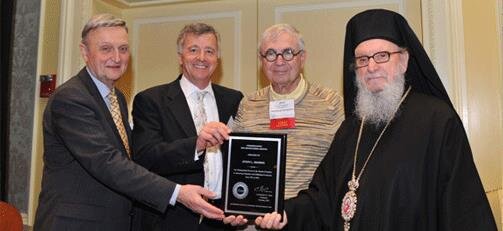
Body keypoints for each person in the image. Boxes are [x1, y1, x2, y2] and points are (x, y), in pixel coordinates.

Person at [253, 9, 498, 231]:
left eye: (382, 56)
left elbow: (462, 209)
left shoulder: (437, 120)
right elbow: (322, 198)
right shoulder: (351, 128)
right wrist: (284, 212)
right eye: (362, 59)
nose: (371, 67)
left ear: (403, 61)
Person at [34, 14, 225, 231]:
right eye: (106, 48)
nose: (116, 57)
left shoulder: (118, 99)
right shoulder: (71, 98)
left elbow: (131, 157)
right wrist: (177, 193)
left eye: (123, 49)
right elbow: (108, 162)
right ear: (84, 52)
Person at [229, 23, 344, 229]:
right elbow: (236, 166)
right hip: (255, 223)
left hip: (308, 223)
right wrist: (232, 206)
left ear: (302, 57)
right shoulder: (248, 104)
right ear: (261, 61)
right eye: (270, 54)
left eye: (288, 52)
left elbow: (341, 169)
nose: (279, 61)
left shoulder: (332, 103)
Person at [131, 22, 243, 231]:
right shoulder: (151, 100)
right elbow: (145, 157)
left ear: (217, 58)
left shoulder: (234, 99)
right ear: (180, 57)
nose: (202, 57)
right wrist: (197, 144)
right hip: (172, 220)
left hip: (223, 219)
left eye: (209, 51)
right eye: (193, 50)